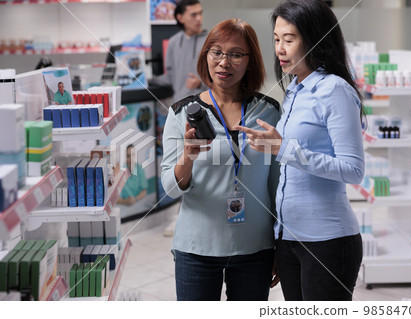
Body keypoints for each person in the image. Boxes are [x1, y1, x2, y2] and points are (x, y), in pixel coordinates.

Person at [235, 0, 365, 301]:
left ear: (316, 38)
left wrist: (284, 149)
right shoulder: (295, 89)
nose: (280, 48)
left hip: (327, 240)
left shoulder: (335, 90)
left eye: (289, 40)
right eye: (277, 39)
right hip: (288, 238)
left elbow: (353, 170)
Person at [161, 18, 281, 301]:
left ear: (250, 61)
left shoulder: (269, 112)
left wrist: (282, 245)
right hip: (197, 248)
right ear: (206, 56)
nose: (224, 62)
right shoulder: (181, 113)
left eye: (236, 54)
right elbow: (169, 186)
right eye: (216, 52)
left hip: (255, 248)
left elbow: (279, 187)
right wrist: (187, 157)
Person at [150, 0, 207, 103]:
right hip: (179, 105)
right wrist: (147, 79)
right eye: (193, 15)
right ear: (180, 18)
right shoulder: (173, 42)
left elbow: (220, 79)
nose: (199, 18)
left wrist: (200, 84)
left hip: (204, 105)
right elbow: (170, 77)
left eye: (200, 13)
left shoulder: (210, 42)